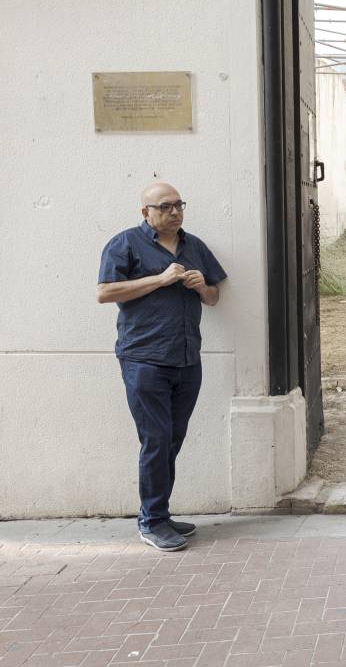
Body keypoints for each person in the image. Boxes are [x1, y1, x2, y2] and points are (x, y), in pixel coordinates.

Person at [96, 182, 227, 553]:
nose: (174, 212)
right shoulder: (124, 244)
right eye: (165, 206)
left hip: (187, 358)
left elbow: (214, 297)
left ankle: (160, 514)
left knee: (171, 439)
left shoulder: (194, 246)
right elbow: (104, 292)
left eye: (179, 205)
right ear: (146, 212)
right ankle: (151, 522)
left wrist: (202, 288)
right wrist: (161, 279)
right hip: (144, 360)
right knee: (155, 440)